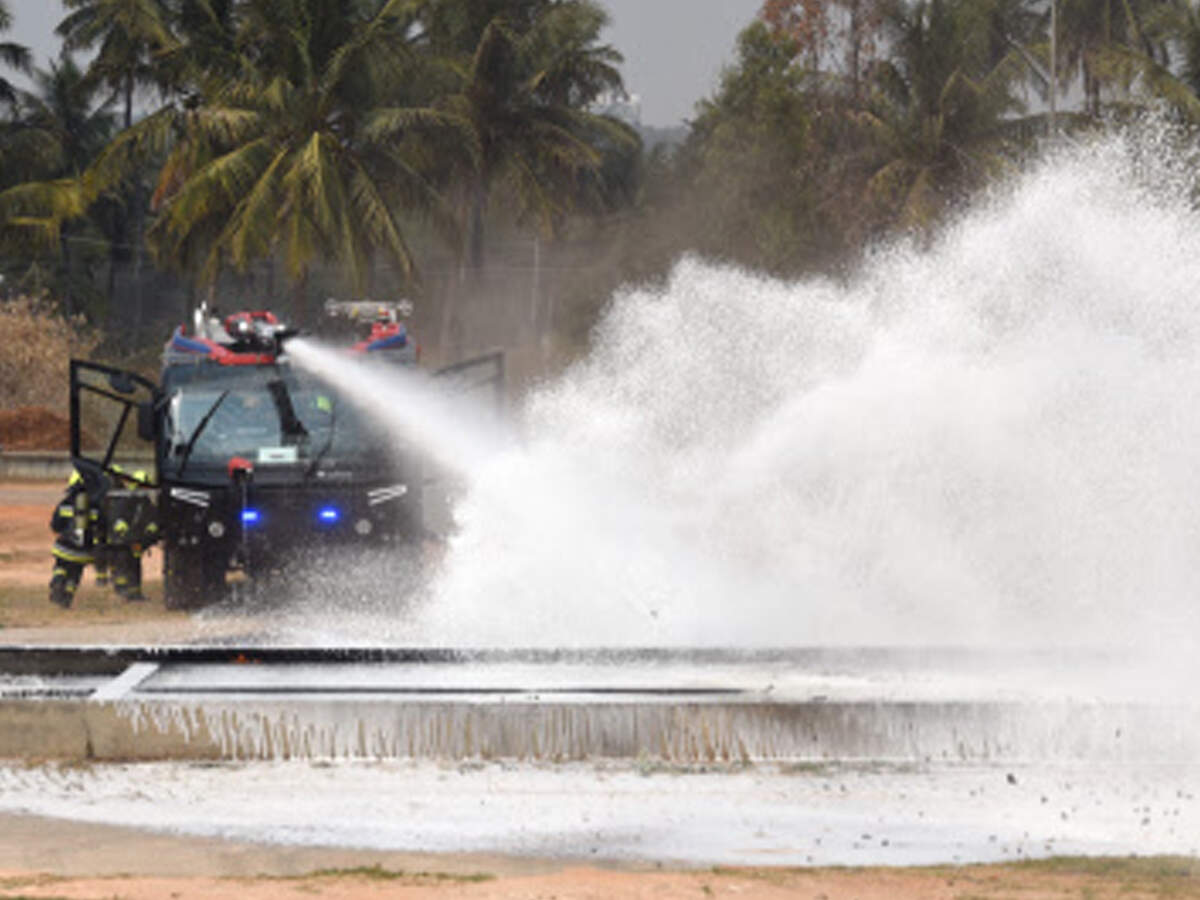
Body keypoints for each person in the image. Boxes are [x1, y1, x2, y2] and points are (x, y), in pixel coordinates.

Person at [48, 470, 100, 609]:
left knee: (61, 565)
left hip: (65, 547)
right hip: (84, 552)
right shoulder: (95, 506)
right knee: (75, 574)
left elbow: (55, 525)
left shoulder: (66, 503)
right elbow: (101, 527)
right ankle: (67, 597)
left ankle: (58, 579)